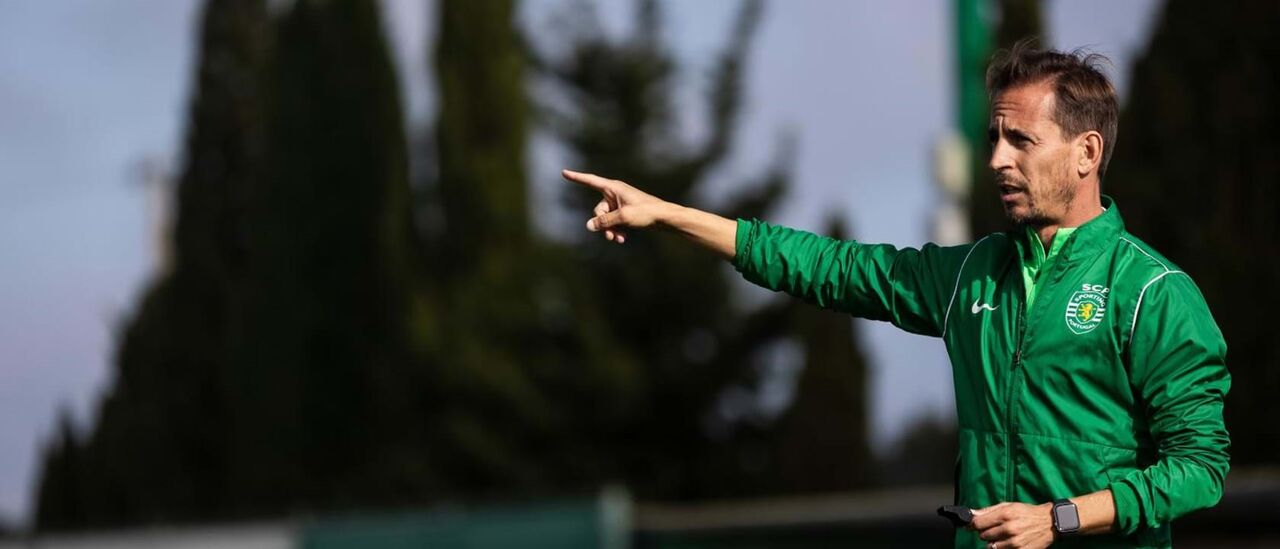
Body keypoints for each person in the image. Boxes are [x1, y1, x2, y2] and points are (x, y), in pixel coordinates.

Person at [562, 43, 1229, 549]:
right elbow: (828, 267)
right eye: (994, 138)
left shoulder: (1154, 292)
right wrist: (668, 214)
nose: (996, 159)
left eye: (1020, 140)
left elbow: (1200, 468)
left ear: (1086, 152)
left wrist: (1061, 517)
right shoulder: (971, 273)